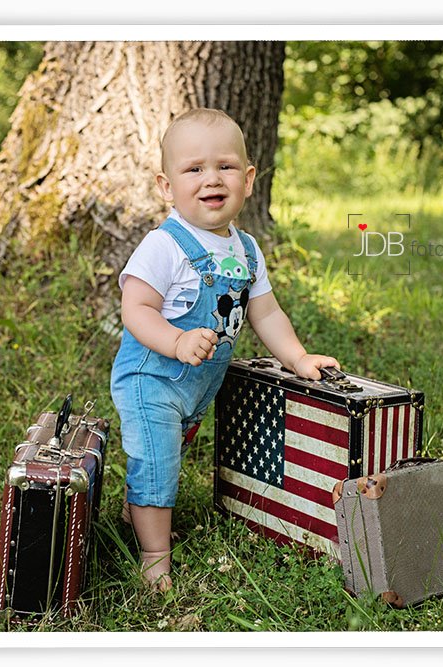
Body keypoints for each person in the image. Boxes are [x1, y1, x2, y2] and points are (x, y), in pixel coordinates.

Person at [109, 108, 340, 591]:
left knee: (163, 455)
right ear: (166, 186)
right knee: (158, 462)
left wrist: (297, 358)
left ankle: (139, 509)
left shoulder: (247, 249)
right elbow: (136, 309)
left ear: (249, 178)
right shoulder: (163, 245)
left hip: (196, 387)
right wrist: (176, 339)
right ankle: (154, 554)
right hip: (152, 379)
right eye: (193, 169)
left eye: (226, 167)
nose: (211, 179)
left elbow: (267, 314)